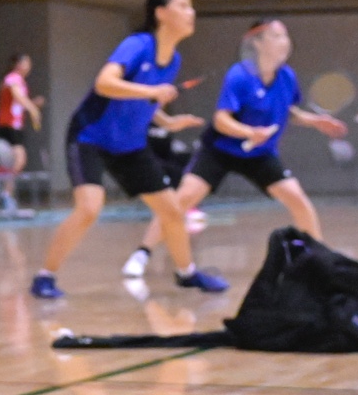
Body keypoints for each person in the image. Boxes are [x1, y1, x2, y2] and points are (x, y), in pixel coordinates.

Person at [30, 0, 221, 300]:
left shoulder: (173, 60)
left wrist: (166, 121)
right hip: (90, 136)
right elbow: (105, 83)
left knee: (172, 211)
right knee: (89, 208)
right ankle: (44, 276)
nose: (191, 13)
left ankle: (187, 273)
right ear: (160, 13)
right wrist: (153, 92)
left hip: (130, 145)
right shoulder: (138, 45)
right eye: (183, 6)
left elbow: (142, 99)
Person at [122, 18, 346, 277]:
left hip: (260, 154)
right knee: (181, 200)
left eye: (285, 36)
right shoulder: (239, 75)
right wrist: (249, 132)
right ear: (258, 43)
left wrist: (314, 121)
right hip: (219, 151)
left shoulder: (287, 76)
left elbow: (287, 110)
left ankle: (318, 258)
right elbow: (221, 120)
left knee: (297, 199)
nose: (285, 42)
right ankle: (142, 253)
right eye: (276, 36)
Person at [0, 52, 41, 177]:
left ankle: (6, 186)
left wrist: (32, 103)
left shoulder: (19, 80)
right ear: (18, 64)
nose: (29, 66)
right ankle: (2, 183)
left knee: (12, 160)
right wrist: (32, 109)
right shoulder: (13, 78)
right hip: (9, 124)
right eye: (26, 63)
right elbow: (18, 97)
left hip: (15, 124)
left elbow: (16, 103)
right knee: (19, 159)